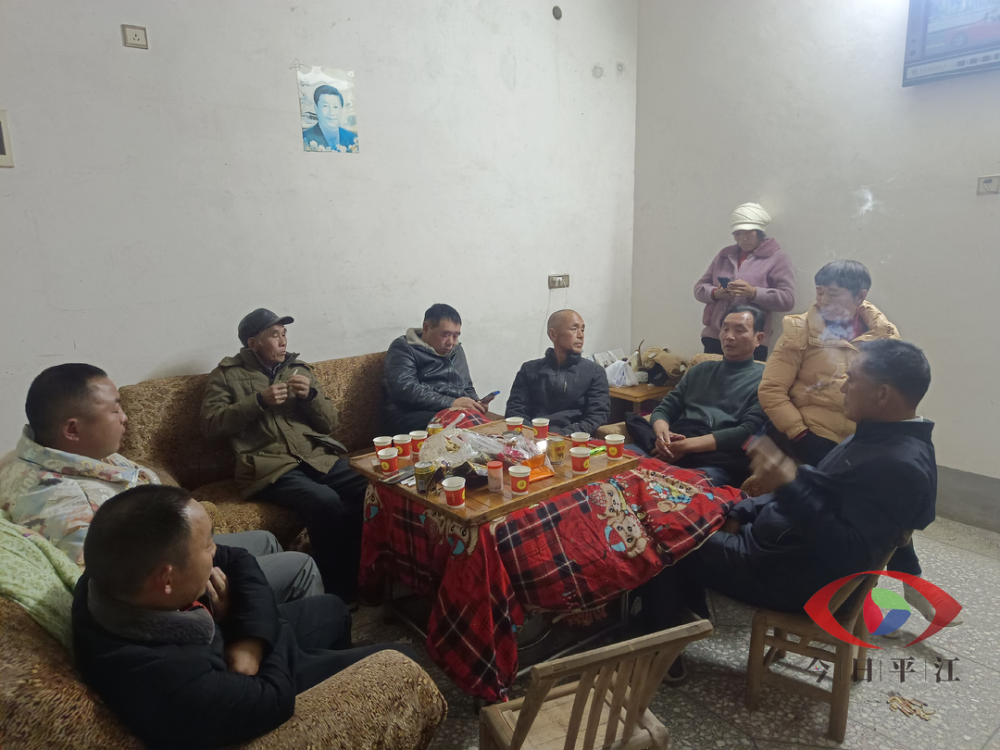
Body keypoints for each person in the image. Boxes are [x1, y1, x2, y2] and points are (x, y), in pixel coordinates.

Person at [641, 340, 942, 639]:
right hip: (774, 544)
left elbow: (848, 551)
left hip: (786, 574)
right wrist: (742, 510)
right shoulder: (876, 435)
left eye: (852, 379)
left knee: (661, 539)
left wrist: (789, 485)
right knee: (680, 513)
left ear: (883, 393)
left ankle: (662, 645)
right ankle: (682, 619)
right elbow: (818, 495)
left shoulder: (899, 465)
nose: (842, 388)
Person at [73, 485, 414, 749]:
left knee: (333, 609)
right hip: (259, 692)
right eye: (207, 546)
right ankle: (343, 696)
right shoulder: (168, 681)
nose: (215, 550)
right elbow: (273, 698)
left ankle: (331, 670)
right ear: (167, 579)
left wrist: (248, 640)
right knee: (402, 659)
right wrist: (240, 625)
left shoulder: (109, 575)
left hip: (236, 651)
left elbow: (238, 558)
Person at [0, 363, 322, 604]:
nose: (125, 417)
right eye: (114, 409)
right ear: (72, 429)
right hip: (174, 584)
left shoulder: (57, 455)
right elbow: (123, 596)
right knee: (300, 566)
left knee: (266, 540)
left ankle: (271, 624)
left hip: (175, 546)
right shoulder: (65, 506)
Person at [200, 308, 369, 604]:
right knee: (324, 500)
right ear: (253, 343)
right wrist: (257, 402)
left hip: (314, 455)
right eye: (274, 335)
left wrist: (310, 397)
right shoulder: (226, 375)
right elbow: (210, 425)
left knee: (370, 487)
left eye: (284, 333)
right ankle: (337, 591)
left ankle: (365, 573)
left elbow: (330, 423)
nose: (283, 341)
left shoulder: (298, 369)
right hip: (269, 465)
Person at [758, 260, 900, 467]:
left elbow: (891, 396)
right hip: (809, 434)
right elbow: (771, 389)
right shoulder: (799, 330)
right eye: (819, 292)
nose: (824, 301)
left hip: (861, 440)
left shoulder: (884, 337)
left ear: (860, 296)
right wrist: (800, 434)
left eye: (833, 294)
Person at [646, 307, 767, 487]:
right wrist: (663, 436)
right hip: (673, 445)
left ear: (758, 338)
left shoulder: (767, 380)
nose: (729, 336)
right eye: (725, 328)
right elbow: (665, 409)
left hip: (716, 460)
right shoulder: (700, 370)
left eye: (739, 330)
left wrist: (686, 447)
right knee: (617, 463)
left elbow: (746, 432)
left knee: (683, 488)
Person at [693, 202, 796, 361]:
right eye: (737, 234)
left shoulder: (777, 258)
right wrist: (716, 293)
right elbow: (699, 288)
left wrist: (754, 293)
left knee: (747, 377)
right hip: (716, 336)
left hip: (751, 340)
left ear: (760, 232)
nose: (743, 239)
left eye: (748, 233)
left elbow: (788, 299)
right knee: (711, 376)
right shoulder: (724, 255)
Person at [382, 303, 485, 434]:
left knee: (487, 430)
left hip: (452, 410)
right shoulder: (403, 347)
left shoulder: (457, 349)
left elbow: (466, 386)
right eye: (445, 334)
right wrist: (451, 403)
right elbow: (405, 389)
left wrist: (476, 402)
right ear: (426, 328)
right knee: (460, 427)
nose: (451, 342)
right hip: (409, 415)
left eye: (456, 336)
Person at [504, 309, 610, 436]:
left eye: (582, 329)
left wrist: (561, 436)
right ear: (553, 334)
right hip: (531, 437)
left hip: (573, 439)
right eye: (574, 329)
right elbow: (515, 409)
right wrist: (533, 434)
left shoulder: (594, 372)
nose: (580, 335)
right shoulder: (530, 369)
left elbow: (597, 415)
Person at [302, 85, 357, 152]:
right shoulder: (304, 138)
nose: (331, 112)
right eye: (325, 106)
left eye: (335, 107)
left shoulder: (353, 139)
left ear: (341, 109)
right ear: (316, 107)